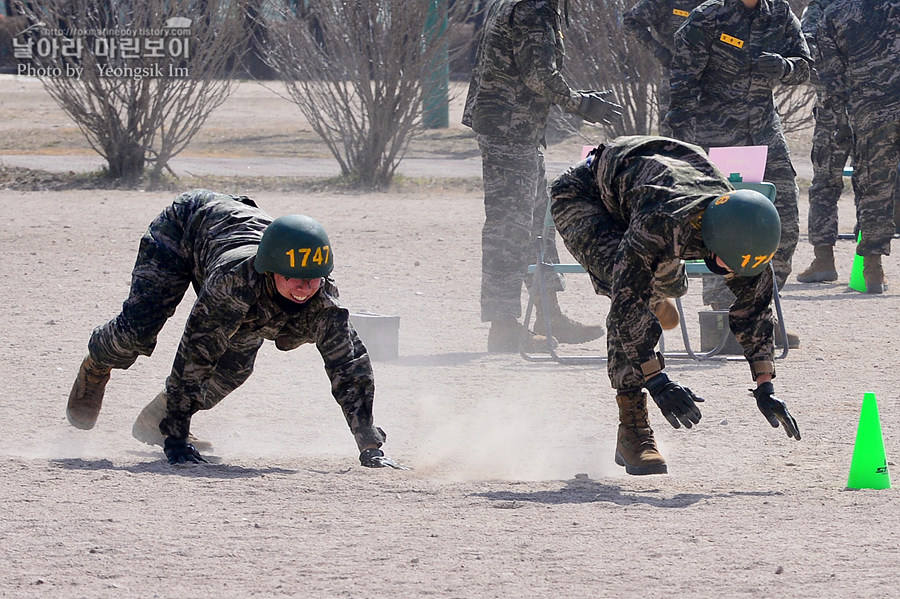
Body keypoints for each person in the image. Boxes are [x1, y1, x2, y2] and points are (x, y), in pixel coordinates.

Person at [66, 189, 406, 468]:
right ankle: (96, 366)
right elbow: (196, 353)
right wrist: (178, 435)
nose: (304, 288)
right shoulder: (234, 284)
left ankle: (156, 418)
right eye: (293, 279)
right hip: (185, 228)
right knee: (136, 332)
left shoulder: (324, 301)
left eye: (312, 280)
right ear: (272, 270)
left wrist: (369, 444)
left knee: (234, 369)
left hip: (241, 259)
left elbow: (348, 366)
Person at [551, 135, 801, 475]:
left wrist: (765, 384)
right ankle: (633, 432)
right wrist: (656, 381)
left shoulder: (744, 229)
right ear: (714, 242)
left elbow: (754, 310)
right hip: (586, 195)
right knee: (626, 289)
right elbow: (625, 308)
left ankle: (657, 291)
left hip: (648, 202)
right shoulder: (664, 223)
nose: (731, 272)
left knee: (653, 282)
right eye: (728, 263)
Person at [462, 0, 623, 353]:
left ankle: (550, 315)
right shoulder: (533, 9)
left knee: (540, 223)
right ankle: (503, 327)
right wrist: (582, 104)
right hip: (508, 128)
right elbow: (539, 75)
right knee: (509, 229)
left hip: (520, 129)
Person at [665, 0, 811, 346]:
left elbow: (807, 68)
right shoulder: (708, 17)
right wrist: (686, 147)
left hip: (764, 134)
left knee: (784, 222)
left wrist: (784, 67)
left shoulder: (779, 14)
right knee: (719, 226)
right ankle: (724, 318)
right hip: (715, 138)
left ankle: (759, 311)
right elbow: (682, 83)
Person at [816, 0, 900, 294]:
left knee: (875, 188)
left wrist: (838, 122)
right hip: (874, 110)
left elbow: (832, 81)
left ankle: (873, 269)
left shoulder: (834, 14)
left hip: (872, 113)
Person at [795, 0, 854, 284]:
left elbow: (807, 53)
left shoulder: (819, 8)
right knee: (874, 185)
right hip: (873, 108)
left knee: (825, 185)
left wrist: (831, 87)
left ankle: (824, 260)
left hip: (834, 110)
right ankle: (871, 266)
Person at [623, 0, 704, 136]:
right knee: (671, 134)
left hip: (713, 78)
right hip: (676, 75)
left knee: (711, 135)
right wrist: (658, 50)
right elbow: (630, 22)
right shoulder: (663, 2)